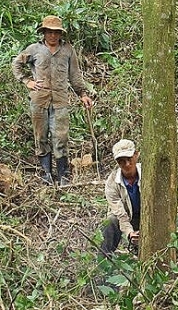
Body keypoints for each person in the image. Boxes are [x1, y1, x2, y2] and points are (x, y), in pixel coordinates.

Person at [11, 15, 93, 186]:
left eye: (56, 32)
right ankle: (46, 173)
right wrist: (28, 81)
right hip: (39, 101)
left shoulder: (68, 50)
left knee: (61, 137)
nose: (53, 36)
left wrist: (82, 94)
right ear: (44, 32)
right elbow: (16, 64)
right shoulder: (34, 49)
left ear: (60, 34)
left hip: (60, 101)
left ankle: (63, 174)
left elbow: (75, 75)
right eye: (49, 32)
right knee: (41, 137)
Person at [101, 139, 141, 257]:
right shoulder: (112, 182)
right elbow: (120, 214)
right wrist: (129, 233)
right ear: (117, 162)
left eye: (129, 159)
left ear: (136, 155)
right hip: (126, 216)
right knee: (111, 221)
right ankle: (104, 261)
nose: (127, 164)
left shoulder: (147, 173)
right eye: (122, 161)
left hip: (145, 216)